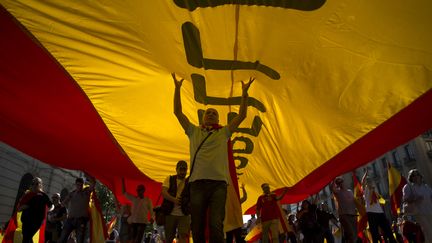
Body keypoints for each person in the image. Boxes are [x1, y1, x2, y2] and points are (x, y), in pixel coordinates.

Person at [172, 72, 254, 243]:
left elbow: (242, 116)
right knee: (197, 225)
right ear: (203, 117)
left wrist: (244, 93)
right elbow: (177, 112)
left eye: (214, 113)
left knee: (216, 223)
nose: (210, 114)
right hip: (197, 185)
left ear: (218, 118)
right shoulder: (193, 131)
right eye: (208, 112)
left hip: (218, 184)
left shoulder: (224, 132)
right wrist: (177, 88)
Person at [361, 170, 396, 243]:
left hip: (380, 212)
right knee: (375, 233)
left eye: (370, 180)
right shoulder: (365, 189)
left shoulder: (374, 189)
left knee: (388, 230)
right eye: (368, 180)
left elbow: (378, 198)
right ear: (366, 183)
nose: (370, 181)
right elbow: (362, 182)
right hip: (371, 213)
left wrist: (385, 201)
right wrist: (366, 174)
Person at [58, 176, 95, 243]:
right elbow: (63, 203)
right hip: (70, 219)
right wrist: (61, 204)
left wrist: (88, 174)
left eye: (81, 185)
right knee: (62, 238)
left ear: (83, 185)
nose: (79, 186)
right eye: (78, 185)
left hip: (81, 220)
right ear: (75, 185)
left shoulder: (86, 192)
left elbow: (93, 184)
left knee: (79, 240)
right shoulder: (72, 193)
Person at [161, 160, 190, 243]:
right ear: (176, 169)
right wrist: (174, 199)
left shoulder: (189, 182)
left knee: (183, 236)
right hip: (170, 213)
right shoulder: (169, 178)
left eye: (184, 169)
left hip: (184, 214)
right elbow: (163, 192)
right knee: (169, 238)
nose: (183, 171)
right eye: (181, 169)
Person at [17, 177, 53, 243]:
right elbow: (19, 208)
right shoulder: (28, 194)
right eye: (33, 183)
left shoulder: (43, 195)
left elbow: (51, 205)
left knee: (27, 238)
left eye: (37, 183)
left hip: (37, 221)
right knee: (26, 238)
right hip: (26, 220)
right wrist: (27, 206)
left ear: (40, 185)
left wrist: (46, 211)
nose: (34, 185)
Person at [402, 169, 432, 242]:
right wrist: (415, 199)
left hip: (430, 211)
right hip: (419, 214)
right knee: (428, 231)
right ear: (410, 178)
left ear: (420, 176)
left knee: (429, 233)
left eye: (417, 174)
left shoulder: (426, 187)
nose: (415, 177)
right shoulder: (408, 187)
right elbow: (405, 200)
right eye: (413, 175)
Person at [122, 178, 154, 243]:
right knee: (133, 239)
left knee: (139, 239)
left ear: (143, 190)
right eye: (137, 190)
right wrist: (122, 181)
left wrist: (152, 218)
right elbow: (124, 193)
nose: (138, 191)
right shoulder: (134, 199)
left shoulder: (148, 200)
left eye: (139, 190)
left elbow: (152, 211)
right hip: (134, 222)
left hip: (143, 222)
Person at [330, 177, 357, 243]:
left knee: (354, 234)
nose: (341, 184)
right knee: (351, 233)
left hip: (353, 215)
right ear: (337, 185)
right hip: (344, 215)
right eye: (338, 183)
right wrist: (333, 179)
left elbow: (354, 202)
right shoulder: (337, 192)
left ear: (344, 182)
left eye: (341, 182)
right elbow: (332, 188)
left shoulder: (350, 191)